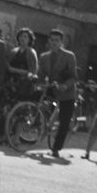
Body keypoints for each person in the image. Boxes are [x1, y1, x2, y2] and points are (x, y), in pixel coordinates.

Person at [37, 28, 79, 158]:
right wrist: (38, 82)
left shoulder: (69, 56)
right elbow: (41, 75)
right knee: (39, 105)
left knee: (64, 120)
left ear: (61, 42)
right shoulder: (44, 57)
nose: (54, 43)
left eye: (57, 40)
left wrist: (65, 86)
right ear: (48, 41)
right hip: (52, 89)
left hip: (66, 91)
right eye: (52, 40)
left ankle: (56, 148)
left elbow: (74, 76)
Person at [6, 27, 39, 100]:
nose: (22, 38)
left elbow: (33, 72)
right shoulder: (14, 51)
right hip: (11, 82)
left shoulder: (31, 52)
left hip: (24, 85)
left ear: (29, 39)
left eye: (25, 36)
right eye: (21, 36)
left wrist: (14, 70)